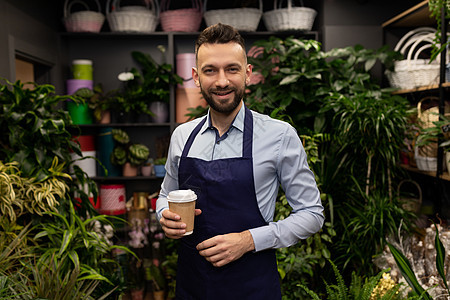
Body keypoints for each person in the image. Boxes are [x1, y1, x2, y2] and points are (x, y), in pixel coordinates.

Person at [156, 23, 324, 299]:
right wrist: (164, 215)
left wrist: (249, 240)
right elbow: (165, 195)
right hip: (192, 287)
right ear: (196, 78)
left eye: (231, 69)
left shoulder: (280, 135)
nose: (222, 81)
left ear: (247, 74)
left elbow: (311, 214)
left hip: (253, 288)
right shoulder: (182, 136)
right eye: (210, 70)